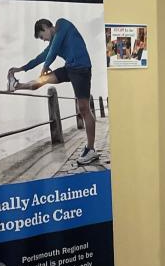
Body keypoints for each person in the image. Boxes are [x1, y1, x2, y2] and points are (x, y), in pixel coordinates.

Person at [8, 17, 98, 166]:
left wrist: (45, 67)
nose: (44, 40)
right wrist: (21, 68)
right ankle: (15, 85)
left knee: (83, 108)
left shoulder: (62, 24)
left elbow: (54, 49)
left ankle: (91, 149)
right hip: (69, 68)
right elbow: (40, 58)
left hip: (82, 69)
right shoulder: (52, 42)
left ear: (46, 27)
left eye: (43, 37)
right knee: (41, 81)